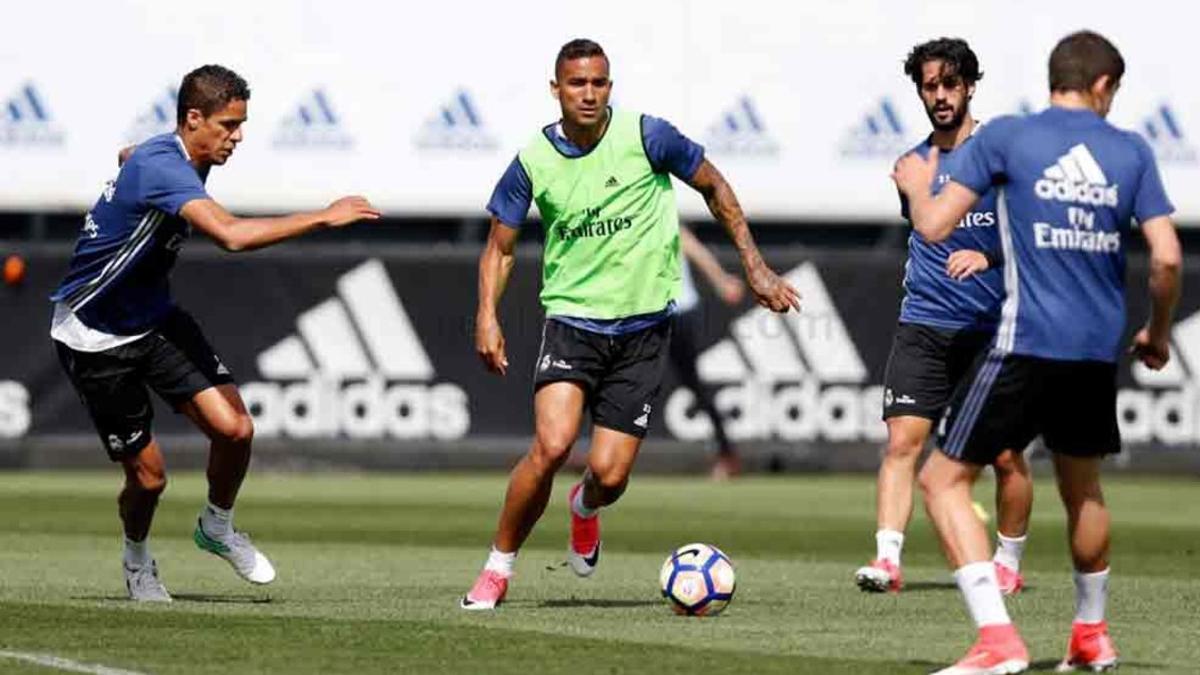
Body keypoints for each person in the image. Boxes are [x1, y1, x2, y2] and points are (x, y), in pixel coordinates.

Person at [461, 38, 799, 610]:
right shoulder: (533, 162)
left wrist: (756, 266)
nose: (588, 94)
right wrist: (487, 316)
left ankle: (584, 508)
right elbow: (500, 248)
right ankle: (497, 568)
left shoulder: (648, 136)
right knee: (551, 444)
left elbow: (715, 186)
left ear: (609, 87)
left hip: (643, 332)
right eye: (576, 84)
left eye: (598, 83)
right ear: (556, 90)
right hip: (573, 322)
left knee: (609, 476)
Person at [893, 30, 1181, 674]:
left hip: (1024, 343)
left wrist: (916, 186)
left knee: (941, 480)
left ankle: (997, 638)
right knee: (1084, 493)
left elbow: (934, 226)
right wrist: (1158, 334)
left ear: (1057, 80)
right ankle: (1091, 634)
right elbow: (1165, 257)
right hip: (1092, 354)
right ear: (1103, 86)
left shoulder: (1009, 138)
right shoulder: (1131, 150)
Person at [50, 65, 380, 602]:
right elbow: (230, 235)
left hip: (153, 319)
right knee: (150, 479)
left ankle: (217, 527)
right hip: (95, 334)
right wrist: (323, 216)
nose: (239, 137)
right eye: (228, 125)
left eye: (241, 124)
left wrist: (127, 167)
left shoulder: (169, 155)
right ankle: (137, 562)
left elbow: (129, 155)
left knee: (236, 431)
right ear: (193, 119)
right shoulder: (166, 167)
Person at [856, 38, 1033, 595]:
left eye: (949, 84)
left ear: (969, 85)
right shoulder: (913, 166)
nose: (940, 95)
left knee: (1006, 456)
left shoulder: (1001, 157)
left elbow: (1035, 235)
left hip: (992, 332)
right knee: (902, 444)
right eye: (930, 86)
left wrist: (989, 255)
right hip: (925, 325)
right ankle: (887, 560)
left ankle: (1007, 561)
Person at [673, 225, 745, 479]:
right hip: (645, 315)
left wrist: (722, 281)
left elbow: (699, 254)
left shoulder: (671, 225)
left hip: (679, 314)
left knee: (694, 384)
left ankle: (726, 454)